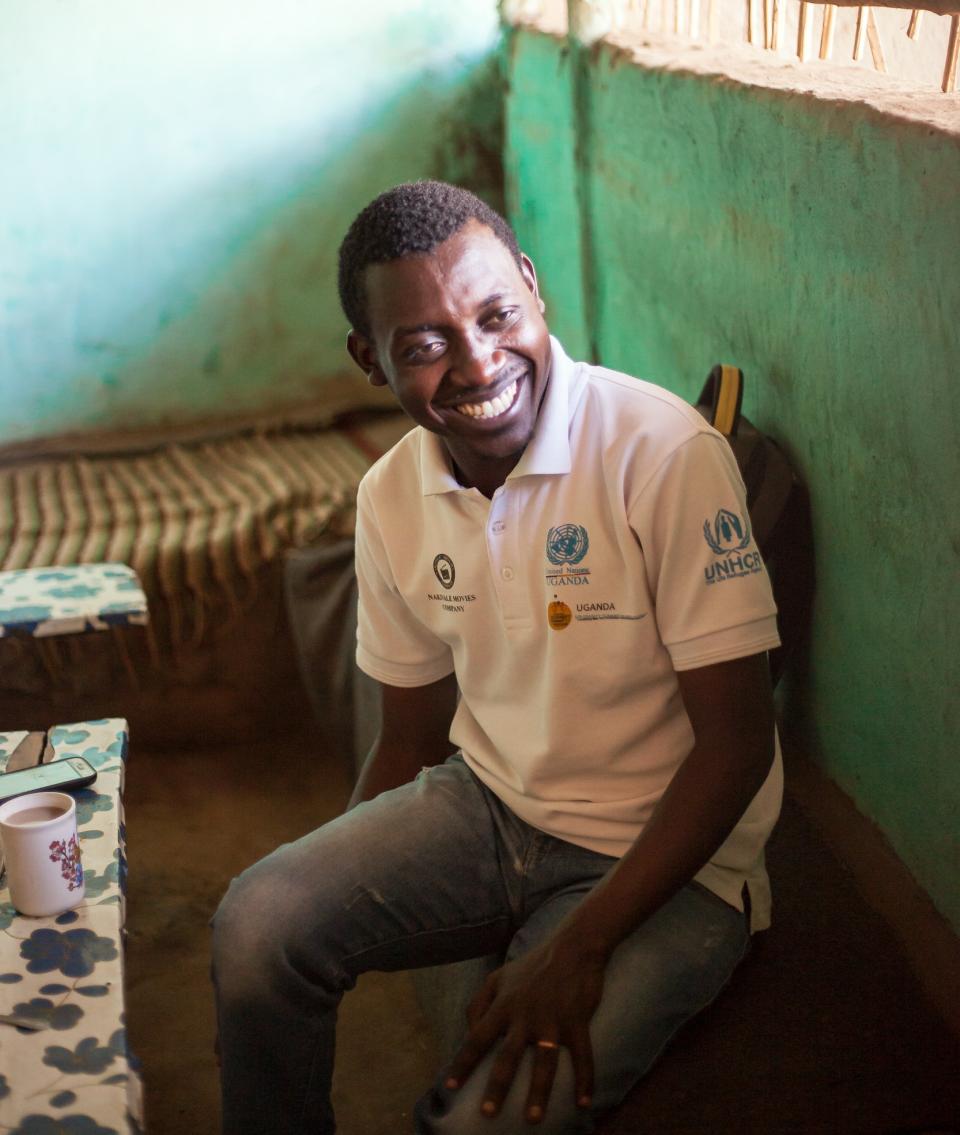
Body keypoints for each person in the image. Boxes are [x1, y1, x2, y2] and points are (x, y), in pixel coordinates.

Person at [211, 180, 783, 1134]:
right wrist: (332, 888)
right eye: (425, 345)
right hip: (490, 808)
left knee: (485, 1117)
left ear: (531, 286)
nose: (477, 364)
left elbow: (738, 745)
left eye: (494, 314)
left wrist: (579, 946)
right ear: (370, 357)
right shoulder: (391, 497)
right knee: (259, 922)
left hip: (672, 862)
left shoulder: (662, 454)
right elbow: (408, 739)